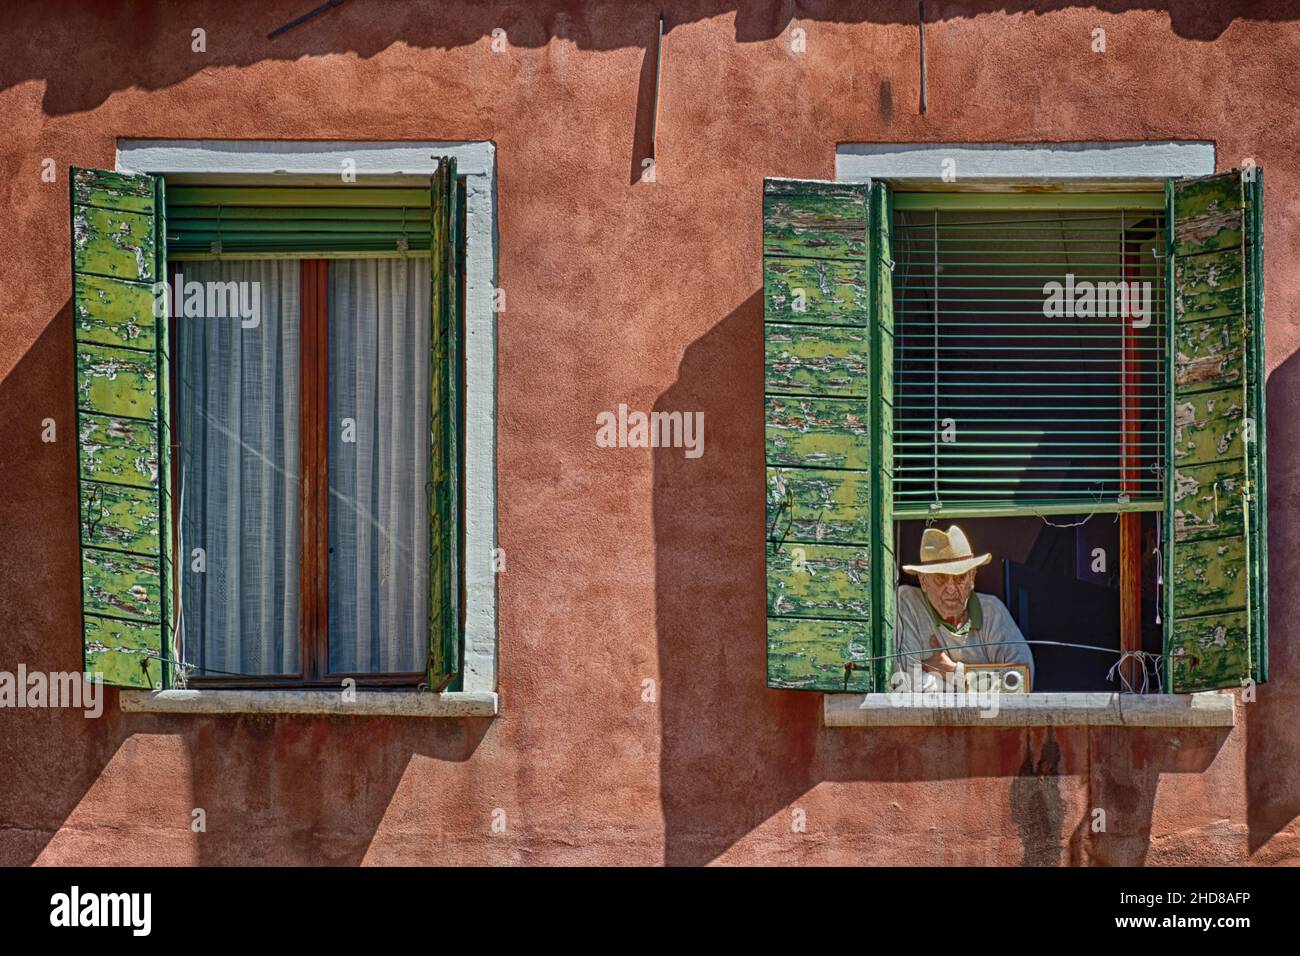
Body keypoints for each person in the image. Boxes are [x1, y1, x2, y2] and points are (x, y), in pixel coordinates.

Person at [894, 525, 1035, 691]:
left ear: (972, 577)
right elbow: (909, 685)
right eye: (940, 578)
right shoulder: (908, 602)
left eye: (960, 578)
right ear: (924, 581)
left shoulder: (992, 611)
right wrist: (983, 684)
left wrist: (952, 671)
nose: (951, 588)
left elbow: (1020, 682)